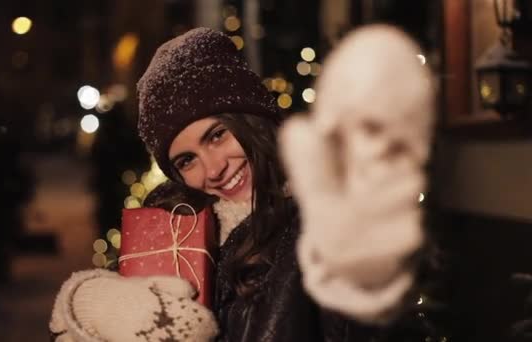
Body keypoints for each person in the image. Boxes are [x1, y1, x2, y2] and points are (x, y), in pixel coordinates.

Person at [50, 26, 433, 341]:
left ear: (251, 120)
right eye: (187, 161)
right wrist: (89, 308)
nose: (214, 168)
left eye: (217, 135)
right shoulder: (175, 226)